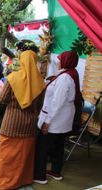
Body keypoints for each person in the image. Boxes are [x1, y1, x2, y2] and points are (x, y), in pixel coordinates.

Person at [0, 40, 45, 190]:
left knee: (6, 153)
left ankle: (0, 183)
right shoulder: (41, 82)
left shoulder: (13, 78)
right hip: (30, 123)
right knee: (24, 154)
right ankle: (22, 180)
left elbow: (3, 99)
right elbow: (40, 105)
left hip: (12, 122)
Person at [34, 51, 81, 184]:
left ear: (66, 61)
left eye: (60, 59)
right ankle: (56, 171)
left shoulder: (65, 78)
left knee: (42, 147)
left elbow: (57, 102)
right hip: (62, 120)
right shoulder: (70, 74)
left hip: (55, 120)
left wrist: (47, 122)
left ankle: (39, 176)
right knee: (58, 146)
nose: (58, 62)